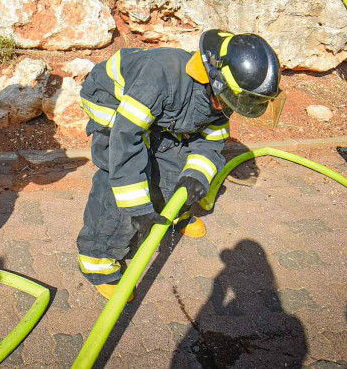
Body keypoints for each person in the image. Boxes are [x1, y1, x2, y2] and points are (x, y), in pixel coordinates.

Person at [76, 31, 282, 300]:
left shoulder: (222, 94)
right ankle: (98, 260)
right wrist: (138, 208)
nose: (229, 109)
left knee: (175, 168)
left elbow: (212, 140)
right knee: (121, 187)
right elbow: (126, 143)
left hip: (161, 114)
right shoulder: (158, 79)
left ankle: (173, 214)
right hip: (115, 112)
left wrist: (196, 176)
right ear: (213, 81)